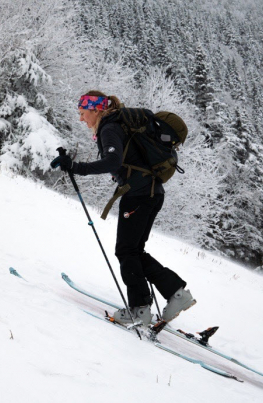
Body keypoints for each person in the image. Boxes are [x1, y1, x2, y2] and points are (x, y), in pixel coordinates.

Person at [51, 91, 195, 325]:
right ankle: (176, 294)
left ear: (96, 110)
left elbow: (112, 161)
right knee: (134, 251)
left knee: (126, 251)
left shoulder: (110, 127)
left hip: (139, 196)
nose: (81, 119)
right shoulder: (118, 124)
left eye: (82, 113)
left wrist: (76, 167)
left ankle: (141, 308)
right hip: (151, 193)